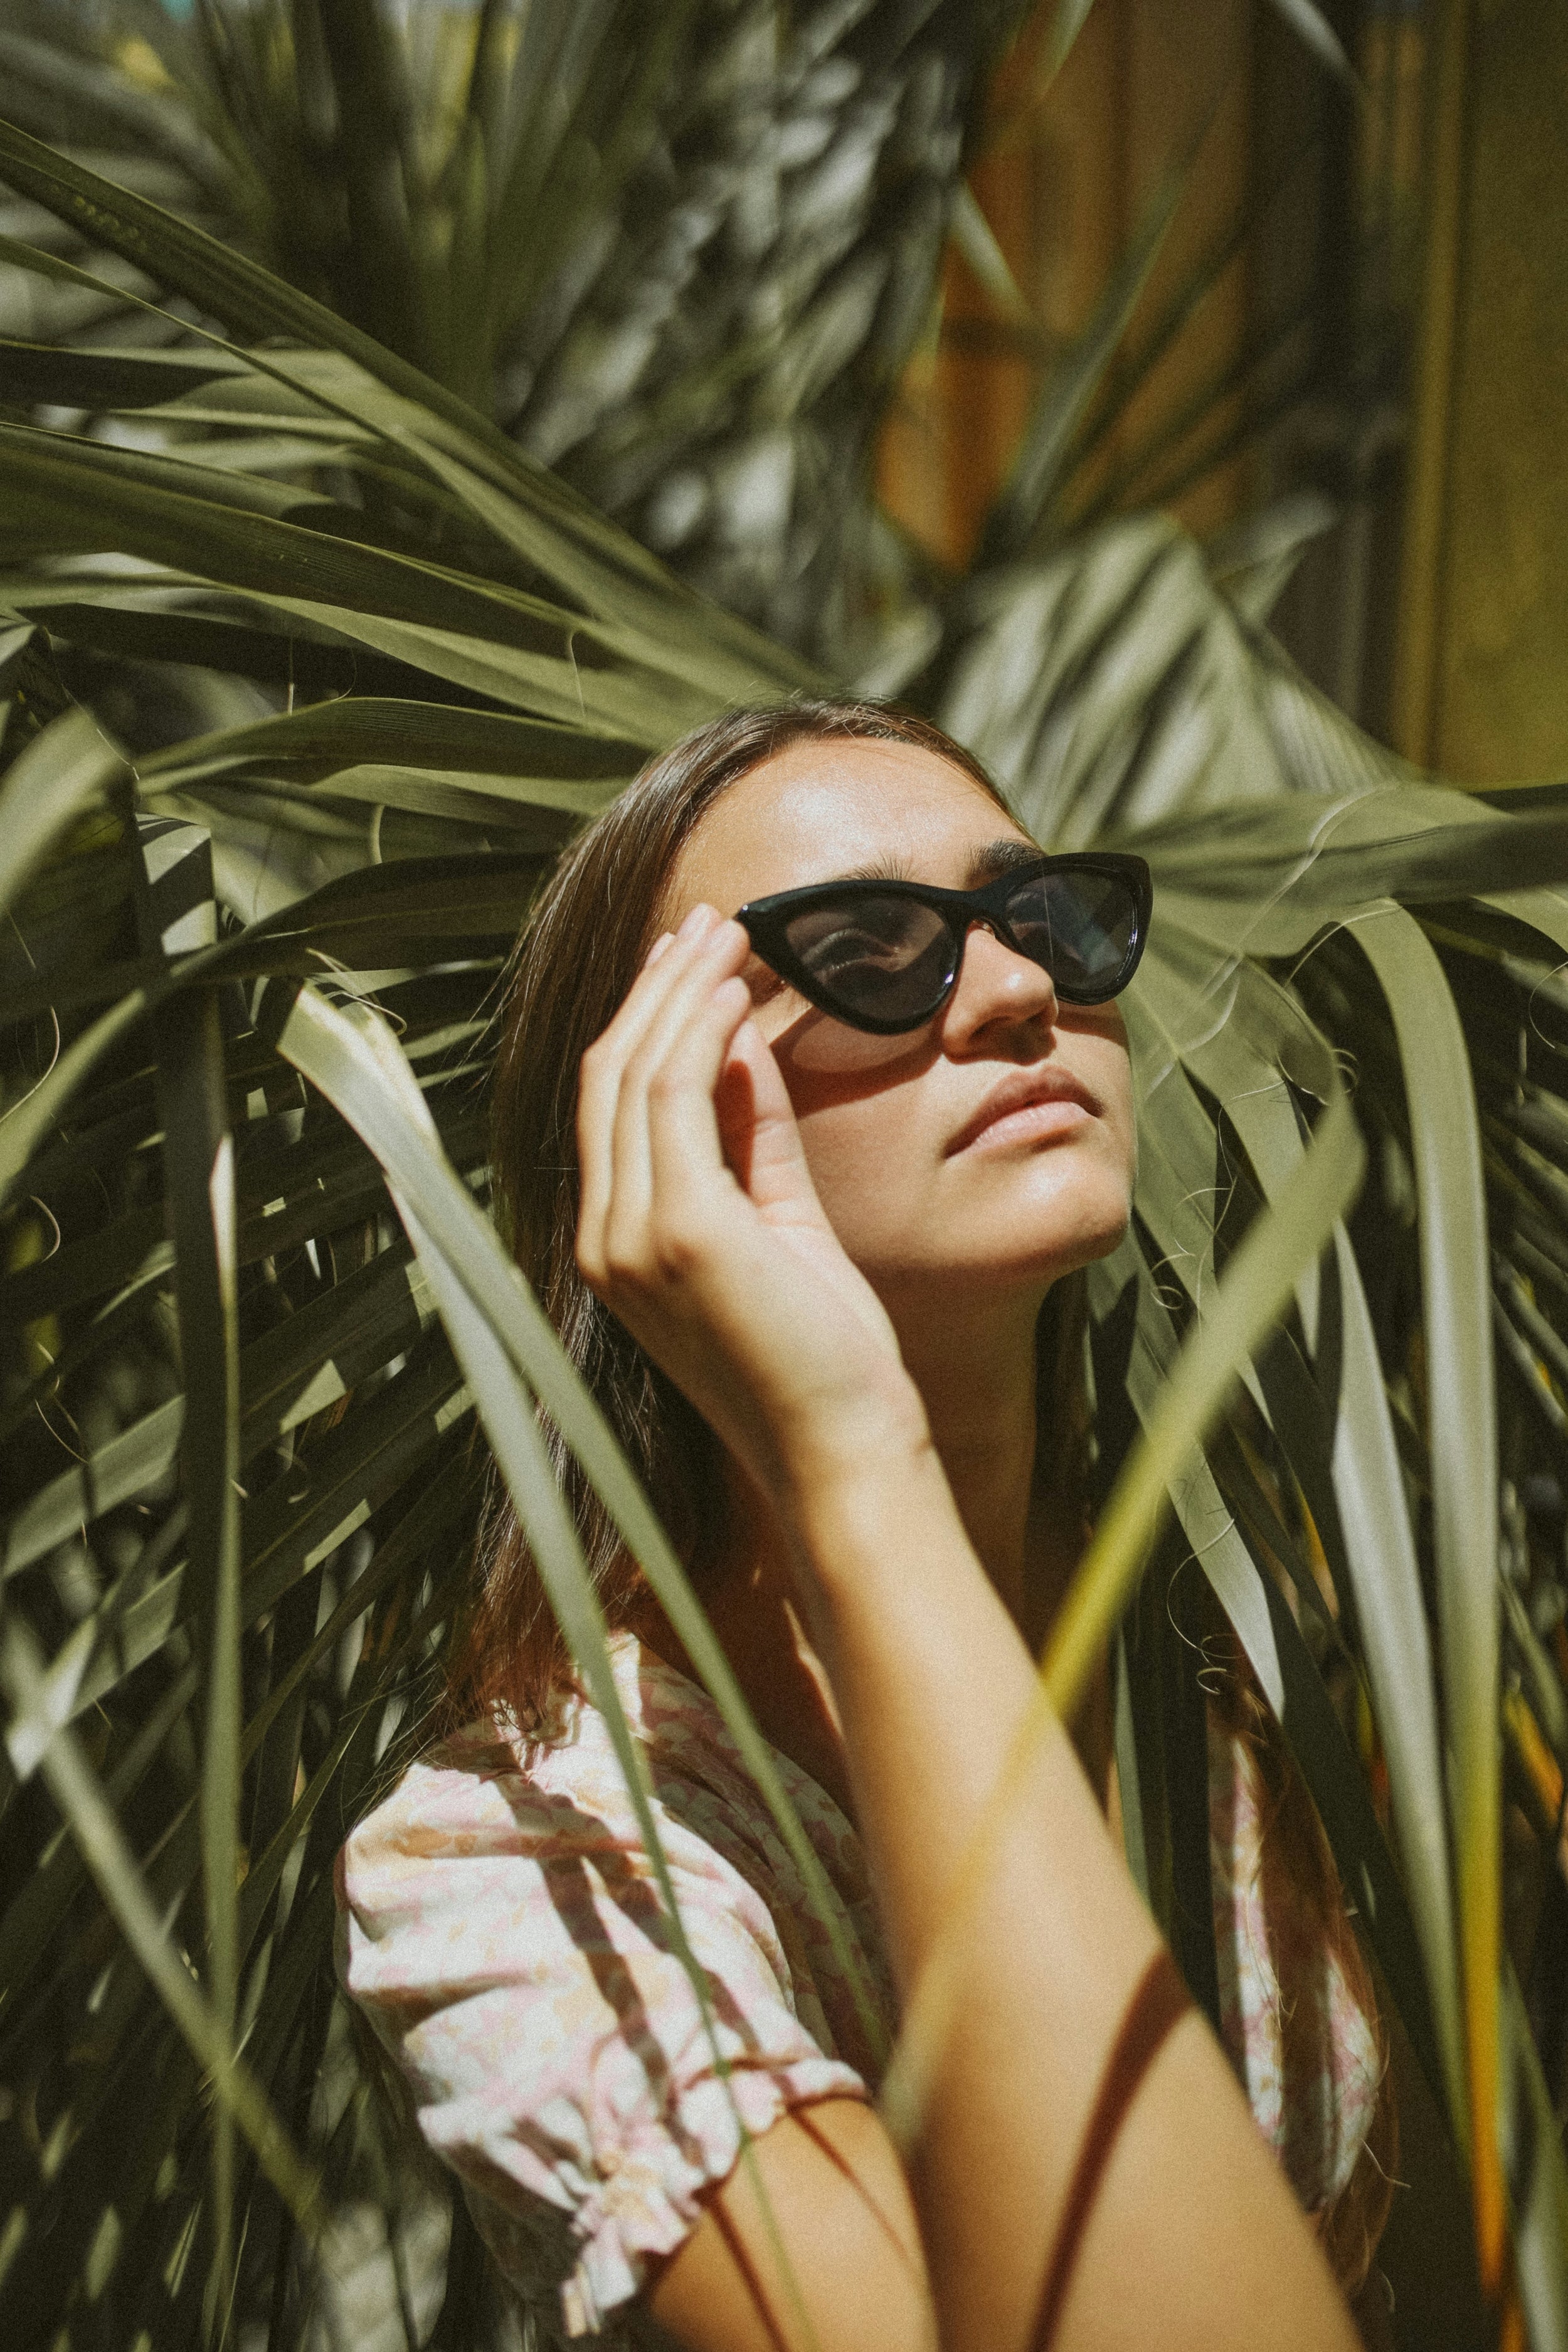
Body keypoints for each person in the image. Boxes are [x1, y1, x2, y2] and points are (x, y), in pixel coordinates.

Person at [340, 701, 1390, 2352]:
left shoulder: (1253, 1663)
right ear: (660, 1110)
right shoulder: (534, 1869)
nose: (1021, 988)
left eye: (1043, 916)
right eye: (867, 950)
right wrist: (847, 1454)